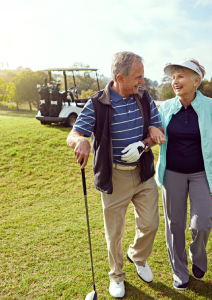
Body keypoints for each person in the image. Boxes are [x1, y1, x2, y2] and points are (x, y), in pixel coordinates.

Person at [67, 51, 165, 298]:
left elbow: (158, 130)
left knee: (151, 224)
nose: (141, 81)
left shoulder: (143, 97)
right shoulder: (97, 103)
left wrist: (144, 142)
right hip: (115, 176)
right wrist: (80, 142)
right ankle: (117, 275)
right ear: (120, 78)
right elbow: (74, 134)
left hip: (142, 173)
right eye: (138, 77)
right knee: (114, 233)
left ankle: (137, 256)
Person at [149, 59, 212, 291]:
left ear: (196, 81)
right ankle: (180, 272)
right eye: (173, 77)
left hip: (203, 173)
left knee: (202, 223)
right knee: (174, 224)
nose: (174, 81)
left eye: (180, 76)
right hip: (172, 173)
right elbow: (154, 129)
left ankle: (197, 256)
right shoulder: (166, 107)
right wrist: (153, 133)